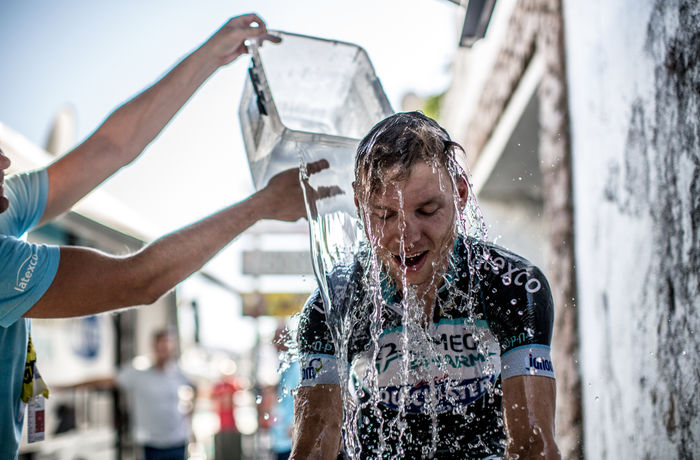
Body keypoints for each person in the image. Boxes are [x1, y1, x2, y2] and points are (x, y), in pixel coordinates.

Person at [0, 13, 331, 459]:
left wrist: (209, 57)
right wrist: (262, 206)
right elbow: (140, 279)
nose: (5, 164)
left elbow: (111, 147)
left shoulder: (5, 206)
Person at [292, 112, 560, 459]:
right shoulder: (333, 305)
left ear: (460, 194)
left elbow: (533, 446)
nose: (407, 237)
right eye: (385, 216)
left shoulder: (512, 287)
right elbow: (314, 446)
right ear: (359, 207)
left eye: (427, 209)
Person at [116, 328, 195, 460]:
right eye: (162, 344)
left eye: (168, 344)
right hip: (151, 443)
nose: (165, 348)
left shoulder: (178, 372)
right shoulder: (139, 373)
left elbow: (194, 386)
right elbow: (112, 379)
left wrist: (190, 413)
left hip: (177, 440)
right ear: (155, 346)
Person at [270, 325, 300, 460]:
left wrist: (295, 426)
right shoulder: (284, 369)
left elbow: (304, 398)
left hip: (291, 440)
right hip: (280, 440)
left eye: (278, 340)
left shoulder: (296, 368)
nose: (275, 346)